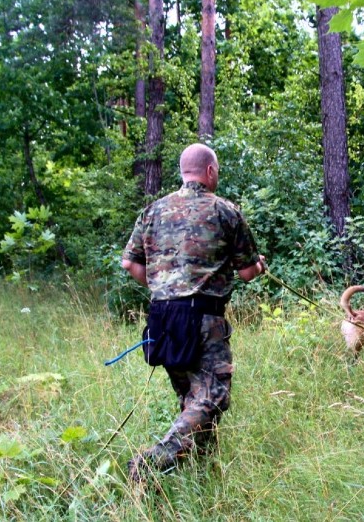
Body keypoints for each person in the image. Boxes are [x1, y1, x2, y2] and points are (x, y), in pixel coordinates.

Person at [121, 143, 265, 484]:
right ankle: (153, 460)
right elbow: (247, 272)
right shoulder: (224, 211)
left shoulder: (153, 210)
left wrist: (164, 289)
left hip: (162, 319)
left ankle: (205, 478)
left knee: (191, 400)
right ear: (210, 171)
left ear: (183, 171)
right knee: (212, 397)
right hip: (203, 319)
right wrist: (259, 265)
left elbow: (130, 263)